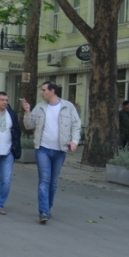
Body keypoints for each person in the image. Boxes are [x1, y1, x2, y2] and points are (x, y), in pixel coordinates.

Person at [22, 81, 82, 224]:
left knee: (53, 182)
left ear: (52, 91)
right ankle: (43, 212)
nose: (41, 92)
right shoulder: (40, 107)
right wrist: (27, 111)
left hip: (60, 150)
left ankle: (48, 208)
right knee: (44, 180)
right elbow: (29, 125)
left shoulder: (68, 106)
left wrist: (74, 141)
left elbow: (76, 125)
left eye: (44, 90)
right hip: (42, 149)